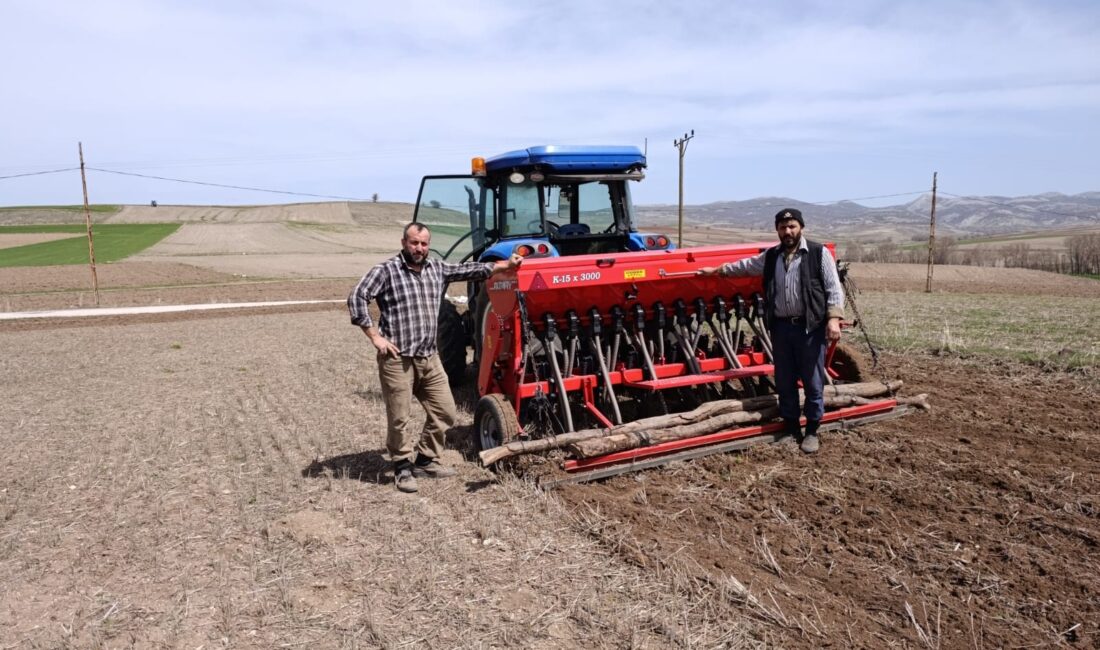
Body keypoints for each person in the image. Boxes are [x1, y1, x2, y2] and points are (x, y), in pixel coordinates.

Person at [348, 223, 522, 492]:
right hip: (398, 359)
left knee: (446, 412)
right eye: (414, 243)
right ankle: (402, 467)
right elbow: (358, 296)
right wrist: (375, 337)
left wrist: (505, 266)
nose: (419, 248)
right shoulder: (386, 271)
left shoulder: (437, 269)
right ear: (404, 242)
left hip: (429, 358)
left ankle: (426, 460)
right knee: (399, 419)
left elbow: (471, 269)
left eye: (424, 244)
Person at [698, 208, 845, 453]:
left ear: (801, 228)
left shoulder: (819, 254)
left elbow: (833, 288)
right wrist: (716, 271)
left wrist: (833, 320)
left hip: (810, 328)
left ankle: (811, 430)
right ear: (777, 230)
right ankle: (790, 427)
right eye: (782, 227)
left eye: (792, 227)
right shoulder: (772, 256)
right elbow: (745, 266)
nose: (787, 232)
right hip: (781, 328)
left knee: (812, 381)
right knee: (785, 380)